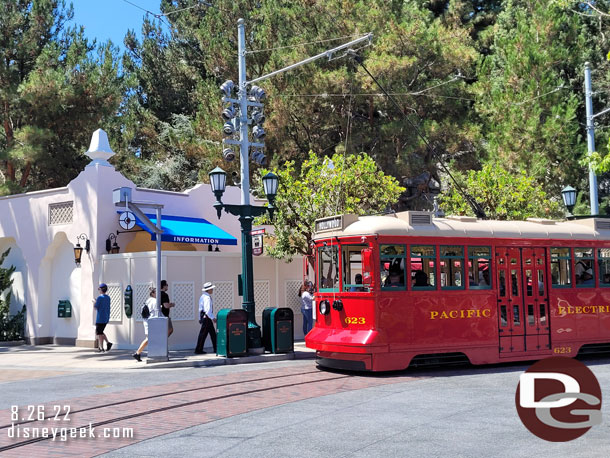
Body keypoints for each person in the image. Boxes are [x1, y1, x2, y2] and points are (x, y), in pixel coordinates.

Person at [133, 286, 158, 362]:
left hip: (147, 321)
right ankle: (137, 353)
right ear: (153, 293)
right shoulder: (154, 301)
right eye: (156, 292)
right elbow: (156, 311)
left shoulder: (148, 300)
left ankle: (138, 353)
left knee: (150, 338)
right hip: (151, 322)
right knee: (149, 339)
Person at [195, 282, 217, 354]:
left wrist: (199, 318)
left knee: (212, 334)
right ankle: (198, 349)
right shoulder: (207, 298)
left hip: (204, 317)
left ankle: (216, 348)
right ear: (209, 289)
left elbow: (200, 309)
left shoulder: (202, 296)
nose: (212, 290)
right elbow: (207, 310)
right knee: (203, 334)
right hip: (207, 318)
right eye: (211, 289)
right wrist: (213, 318)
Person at [93, 283, 113, 352]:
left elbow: (95, 307)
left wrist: (94, 302)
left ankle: (102, 347)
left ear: (101, 290)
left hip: (100, 318)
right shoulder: (108, 297)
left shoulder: (99, 298)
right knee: (100, 332)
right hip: (106, 317)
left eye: (99, 289)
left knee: (99, 333)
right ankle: (105, 344)